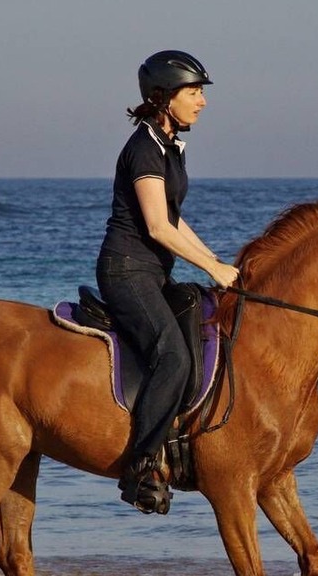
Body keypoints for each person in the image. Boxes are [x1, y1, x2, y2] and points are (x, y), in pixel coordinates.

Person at [97, 50, 240, 515]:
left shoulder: (170, 147)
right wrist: (211, 269)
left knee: (200, 323)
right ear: (164, 98)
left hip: (155, 273)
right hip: (127, 272)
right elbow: (157, 228)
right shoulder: (143, 148)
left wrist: (217, 263)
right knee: (173, 357)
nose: (202, 102)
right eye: (194, 93)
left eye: (201, 93)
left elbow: (175, 221)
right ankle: (139, 467)